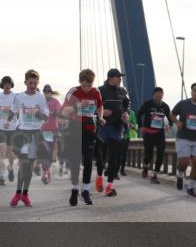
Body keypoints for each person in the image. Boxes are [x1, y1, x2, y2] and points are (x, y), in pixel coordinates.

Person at [61, 68, 103, 206]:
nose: (87, 89)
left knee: (88, 160)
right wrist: (79, 105)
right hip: (75, 128)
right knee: (75, 160)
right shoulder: (73, 91)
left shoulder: (96, 92)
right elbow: (65, 111)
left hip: (90, 129)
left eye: (89, 86)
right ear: (80, 82)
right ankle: (74, 189)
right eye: (84, 85)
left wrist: (101, 117)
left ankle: (85, 190)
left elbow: (100, 106)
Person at [10, 69, 49, 207]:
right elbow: (12, 111)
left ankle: (24, 194)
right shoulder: (19, 97)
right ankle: (17, 193)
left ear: (37, 83)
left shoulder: (41, 97)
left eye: (35, 82)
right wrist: (9, 123)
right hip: (22, 134)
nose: (32, 85)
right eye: (30, 82)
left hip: (35, 134)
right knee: (24, 163)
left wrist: (37, 112)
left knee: (29, 166)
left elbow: (46, 117)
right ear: (26, 82)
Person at [96, 68, 131, 197]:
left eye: (121, 77)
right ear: (110, 78)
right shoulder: (99, 90)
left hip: (117, 127)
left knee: (115, 157)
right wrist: (100, 112)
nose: (120, 79)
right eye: (118, 77)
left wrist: (126, 113)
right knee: (101, 157)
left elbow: (127, 105)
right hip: (102, 127)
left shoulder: (122, 91)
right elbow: (91, 107)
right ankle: (99, 176)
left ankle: (110, 185)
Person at [137, 87, 174, 183]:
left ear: (163, 95)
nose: (159, 95)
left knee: (161, 153)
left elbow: (171, 119)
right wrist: (141, 127)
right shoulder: (147, 104)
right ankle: (145, 167)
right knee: (148, 153)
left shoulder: (165, 106)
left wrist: (169, 126)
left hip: (159, 133)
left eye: (160, 93)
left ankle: (155, 175)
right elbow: (139, 115)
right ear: (153, 95)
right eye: (157, 93)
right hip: (148, 132)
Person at [0, 76, 18, 185]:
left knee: (10, 152)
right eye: (5, 83)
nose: (7, 85)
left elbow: (15, 111)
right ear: (2, 85)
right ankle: (2, 175)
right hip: (0, 128)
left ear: (11, 84)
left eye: (9, 83)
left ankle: (10, 167)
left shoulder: (15, 96)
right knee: (2, 152)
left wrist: (9, 121)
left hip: (12, 128)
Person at [40, 84, 64, 185]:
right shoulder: (40, 101)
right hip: (42, 130)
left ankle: (46, 173)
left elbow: (60, 114)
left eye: (48, 92)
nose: (46, 94)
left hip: (52, 130)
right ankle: (45, 173)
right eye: (45, 92)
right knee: (43, 152)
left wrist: (52, 113)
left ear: (51, 92)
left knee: (48, 152)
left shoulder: (55, 102)